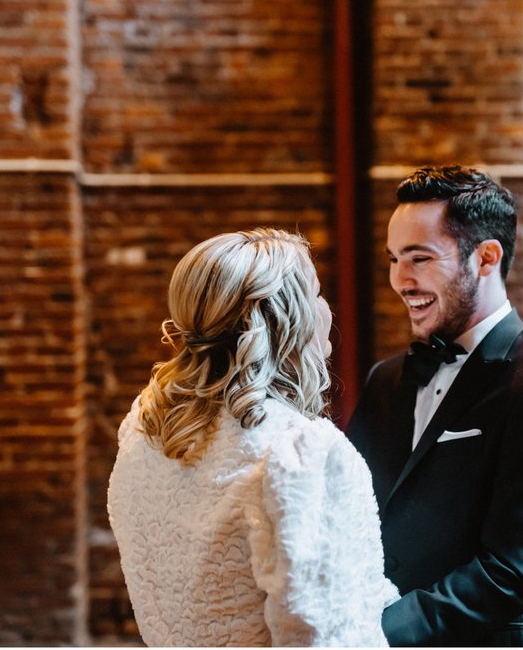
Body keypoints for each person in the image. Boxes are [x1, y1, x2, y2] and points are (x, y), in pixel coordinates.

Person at [346, 165, 523, 646]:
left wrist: (379, 633)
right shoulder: (386, 379)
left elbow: (509, 573)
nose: (400, 280)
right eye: (394, 259)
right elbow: (350, 509)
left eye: (420, 258)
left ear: (485, 258)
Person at [108, 228, 398, 647]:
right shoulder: (303, 453)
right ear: (288, 318)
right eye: (316, 294)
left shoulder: (145, 434)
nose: (327, 309)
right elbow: (326, 635)